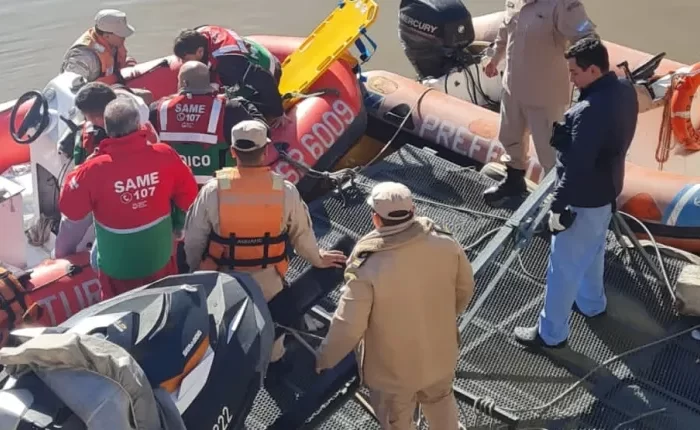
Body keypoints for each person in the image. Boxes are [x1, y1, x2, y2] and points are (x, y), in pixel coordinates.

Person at [315, 182, 476, 430]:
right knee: (442, 406)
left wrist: (325, 358)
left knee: (397, 421)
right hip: (441, 355)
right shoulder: (446, 243)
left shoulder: (367, 267)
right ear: (413, 211)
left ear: (376, 220)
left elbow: (348, 326)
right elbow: (465, 289)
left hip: (394, 373)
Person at [183, 120, 346, 362]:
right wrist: (319, 259)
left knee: (225, 330)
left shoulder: (213, 190)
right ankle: (272, 361)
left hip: (224, 277)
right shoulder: (285, 190)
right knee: (272, 331)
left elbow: (193, 240)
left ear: (233, 152)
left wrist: (199, 270)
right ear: (266, 150)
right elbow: (302, 235)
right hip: (269, 279)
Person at [514, 38, 638, 348]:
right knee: (594, 250)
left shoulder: (587, 111)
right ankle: (591, 303)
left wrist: (558, 205)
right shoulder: (624, 91)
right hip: (607, 192)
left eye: (575, 72)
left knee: (562, 267)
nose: (571, 78)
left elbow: (577, 165)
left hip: (583, 198)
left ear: (593, 69)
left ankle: (551, 333)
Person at [59, 97, 198, 298]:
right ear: (138, 124)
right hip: (159, 259)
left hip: (117, 270)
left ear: (106, 128)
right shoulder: (165, 154)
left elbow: (70, 210)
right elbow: (189, 197)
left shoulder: (92, 169)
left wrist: (81, 170)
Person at [482, 0, 597, 206]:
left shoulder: (563, 5)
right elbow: (505, 30)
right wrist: (494, 58)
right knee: (510, 138)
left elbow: (586, 37)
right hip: (513, 88)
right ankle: (514, 182)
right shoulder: (516, 1)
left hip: (545, 95)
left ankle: (555, 203)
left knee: (551, 153)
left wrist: (588, 77)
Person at [151, 61, 265, 186]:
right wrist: (246, 104)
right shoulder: (228, 108)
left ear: (183, 83)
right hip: (219, 191)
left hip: (175, 192)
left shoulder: (158, 109)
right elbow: (260, 131)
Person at [172, 27, 287, 127]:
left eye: (185, 59)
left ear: (200, 52)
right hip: (241, 56)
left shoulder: (228, 63)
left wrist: (278, 112)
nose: (182, 63)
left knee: (239, 110)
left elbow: (264, 80)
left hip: (267, 68)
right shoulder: (199, 35)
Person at [61, 9, 137, 85]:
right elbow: (70, 88)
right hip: (95, 93)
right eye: (121, 35)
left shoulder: (112, 42)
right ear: (106, 36)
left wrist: (125, 63)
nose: (124, 37)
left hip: (111, 86)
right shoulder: (83, 57)